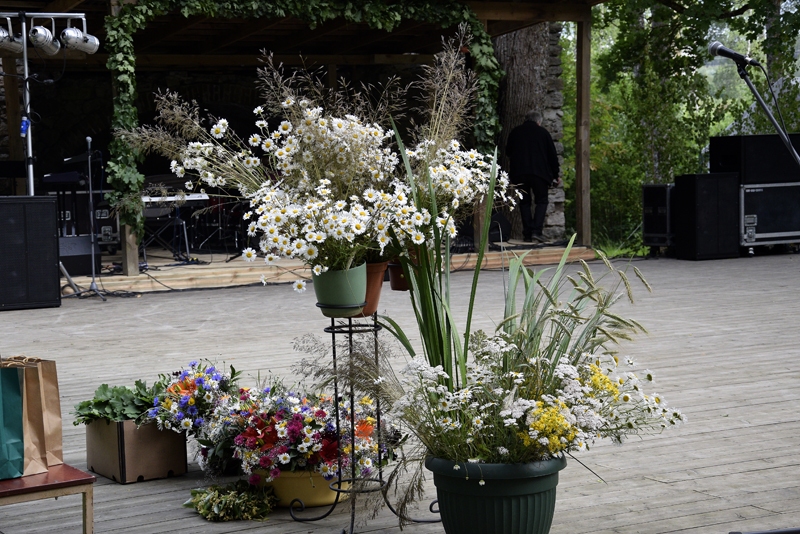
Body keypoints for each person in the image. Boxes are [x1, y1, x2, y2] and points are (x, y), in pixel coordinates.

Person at [505, 110, 560, 243]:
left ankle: (528, 233)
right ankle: (537, 231)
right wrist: (555, 175)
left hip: (519, 174)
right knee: (541, 201)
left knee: (524, 202)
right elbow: (552, 156)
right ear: (538, 121)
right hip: (539, 174)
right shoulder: (543, 133)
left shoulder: (515, 132)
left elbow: (508, 152)